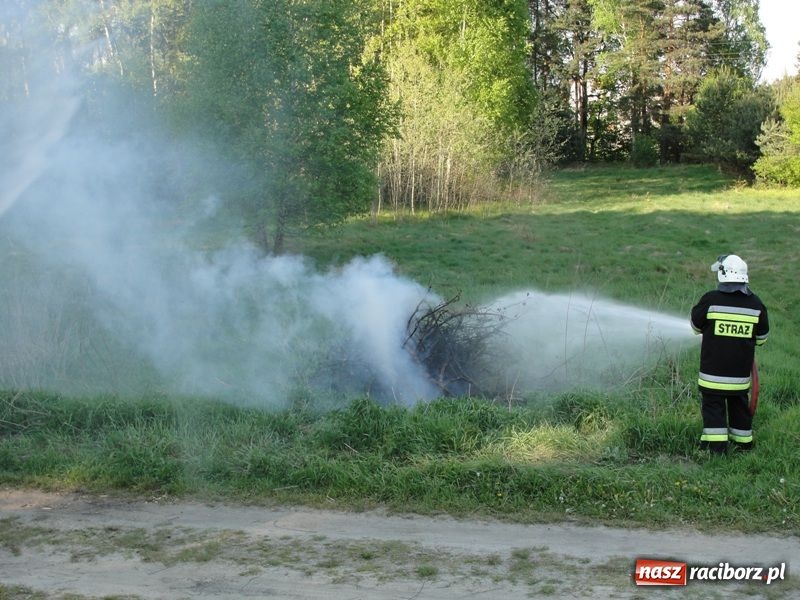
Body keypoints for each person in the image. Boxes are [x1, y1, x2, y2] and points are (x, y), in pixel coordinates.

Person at [690, 254, 769, 454]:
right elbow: (762, 339)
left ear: (723, 275)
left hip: (712, 377)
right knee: (739, 408)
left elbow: (695, 327)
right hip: (739, 378)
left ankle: (716, 449)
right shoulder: (756, 304)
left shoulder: (710, 299)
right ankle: (743, 445)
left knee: (713, 408)